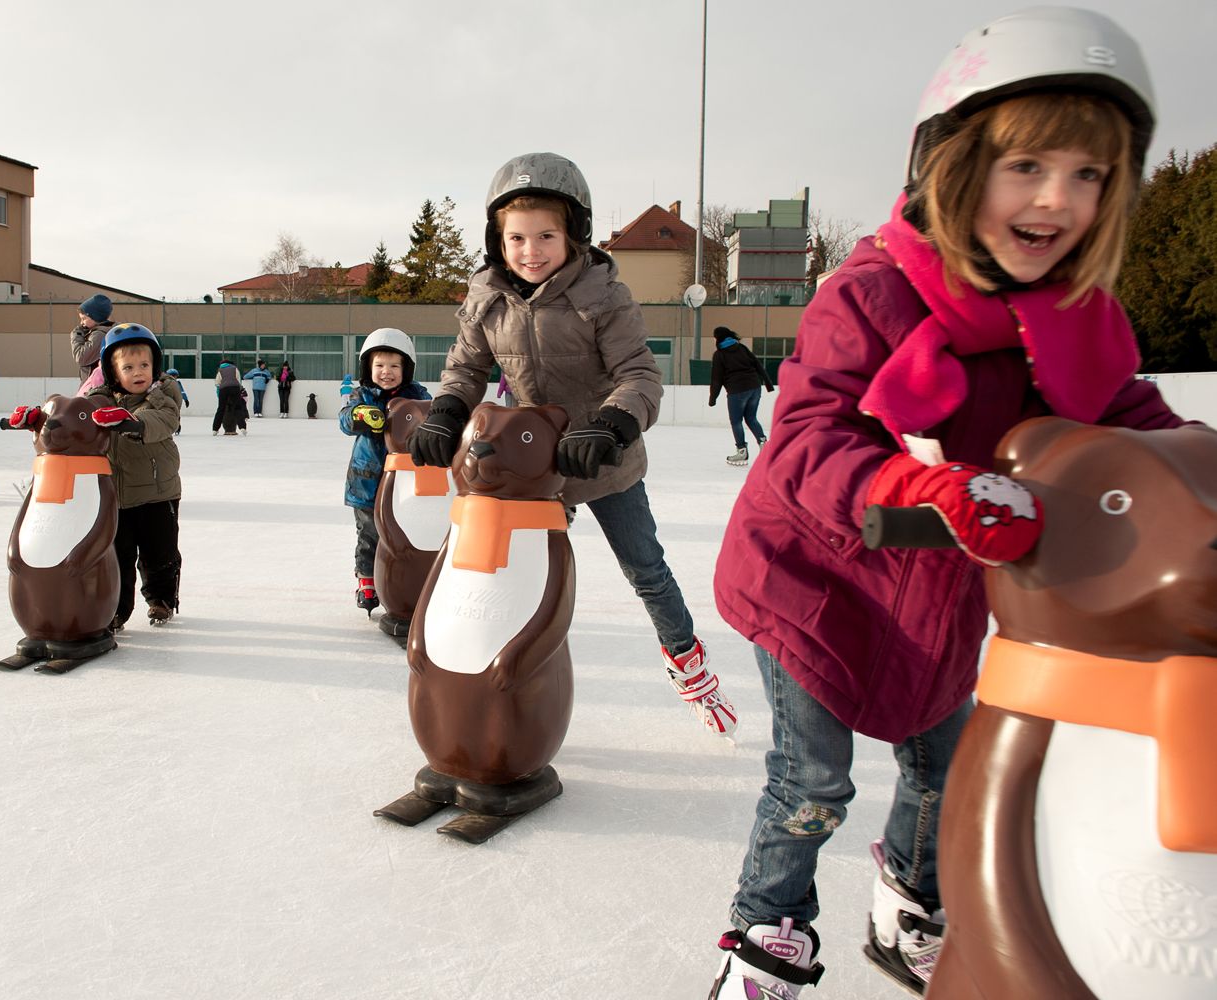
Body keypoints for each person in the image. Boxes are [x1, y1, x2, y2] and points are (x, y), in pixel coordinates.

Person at [707, 10, 1189, 998]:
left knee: (945, 772)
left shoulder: (1077, 324)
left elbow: (1137, 425)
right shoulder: (871, 294)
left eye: (1089, 174)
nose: (1057, 198)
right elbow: (804, 441)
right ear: (952, 164)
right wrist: (914, 484)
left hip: (936, 600)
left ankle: (908, 906)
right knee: (814, 780)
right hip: (812, 585)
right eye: (1028, 166)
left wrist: (1198, 476)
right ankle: (768, 932)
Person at [409, 151, 738, 740]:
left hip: (603, 460)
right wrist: (446, 412)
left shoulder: (604, 295)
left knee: (645, 569)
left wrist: (611, 425)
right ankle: (492, 679)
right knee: (501, 570)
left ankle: (690, 667)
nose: (530, 250)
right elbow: (465, 369)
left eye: (546, 236)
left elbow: (639, 374)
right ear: (497, 240)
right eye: (516, 238)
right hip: (529, 464)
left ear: (574, 235)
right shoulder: (487, 297)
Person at [86, 324, 183, 629]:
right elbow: (75, 419)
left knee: (160, 554)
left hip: (158, 493)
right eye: (128, 367)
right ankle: (116, 610)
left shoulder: (162, 394)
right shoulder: (99, 400)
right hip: (116, 496)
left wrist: (133, 423)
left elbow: (165, 419)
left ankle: (161, 601)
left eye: (144, 365)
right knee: (118, 558)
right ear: (113, 373)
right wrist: (42, 421)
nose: (138, 372)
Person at [341, 329, 430, 614]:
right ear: (368, 367)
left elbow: (432, 415)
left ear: (407, 369)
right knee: (369, 535)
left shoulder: (418, 396)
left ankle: (405, 580)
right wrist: (359, 415)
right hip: (366, 481)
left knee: (405, 534)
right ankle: (367, 581)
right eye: (379, 365)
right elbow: (345, 419)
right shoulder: (363, 395)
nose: (386, 372)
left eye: (394, 366)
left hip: (406, 481)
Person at [706, 326, 773, 466]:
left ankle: (742, 451)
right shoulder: (741, 348)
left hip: (737, 390)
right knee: (751, 418)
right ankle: (763, 444)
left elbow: (716, 379)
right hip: (755, 387)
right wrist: (768, 384)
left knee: (736, 421)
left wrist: (712, 398)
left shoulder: (719, 355)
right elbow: (758, 365)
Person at [70, 294, 113, 382]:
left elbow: (81, 357)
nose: (81, 323)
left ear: (95, 317)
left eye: (84, 319)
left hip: (94, 384)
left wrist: (76, 335)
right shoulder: (104, 332)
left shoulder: (99, 335)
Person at [213, 359, 246, 435]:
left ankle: (215, 429)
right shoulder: (235, 369)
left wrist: (219, 394)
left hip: (223, 389)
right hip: (235, 388)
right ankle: (242, 427)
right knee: (238, 408)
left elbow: (217, 383)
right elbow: (239, 381)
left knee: (221, 409)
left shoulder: (220, 370)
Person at [165, 368, 189, 434]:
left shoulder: (177, 383)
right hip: (167, 402)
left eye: (175, 376)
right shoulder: (164, 383)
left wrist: (186, 399)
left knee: (177, 414)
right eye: (173, 376)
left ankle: (177, 427)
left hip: (176, 402)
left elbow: (182, 391)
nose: (174, 377)